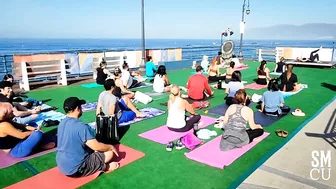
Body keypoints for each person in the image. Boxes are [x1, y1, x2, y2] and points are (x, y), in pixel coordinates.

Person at [56, 97, 119, 177]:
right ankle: (106, 167)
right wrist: (110, 147)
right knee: (109, 153)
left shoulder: (62, 123)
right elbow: (96, 146)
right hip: (77, 169)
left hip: (62, 164)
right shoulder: (81, 126)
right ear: (77, 109)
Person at [165, 85, 201, 151]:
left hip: (169, 126)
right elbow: (192, 112)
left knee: (183, 116)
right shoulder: (183, 101)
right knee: (197, 117)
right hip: (181, 127)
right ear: (179, 92)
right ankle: (195, 133)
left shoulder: (169, 101)